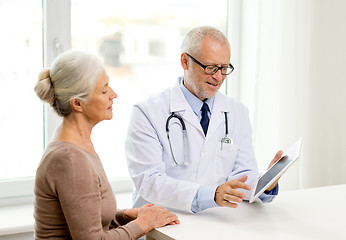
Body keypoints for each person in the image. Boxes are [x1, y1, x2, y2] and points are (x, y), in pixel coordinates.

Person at [125, 26, 284, 213]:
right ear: (185, 61)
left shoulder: (237, 112)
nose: (218, 77)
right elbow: (149, 181)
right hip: (158, 224)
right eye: (211, 67)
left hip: (212, 221)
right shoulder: (147, 111)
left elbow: (242, 175)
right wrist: (211, 194)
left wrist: (265, 183)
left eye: (224, 68)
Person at [33, 50, 179, 239]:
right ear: (78, 104)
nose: (114, 94)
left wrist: (126, 215)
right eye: (104, 90)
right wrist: (143, 224)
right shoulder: (70, 158)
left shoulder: (78, 144)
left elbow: (91, 219)